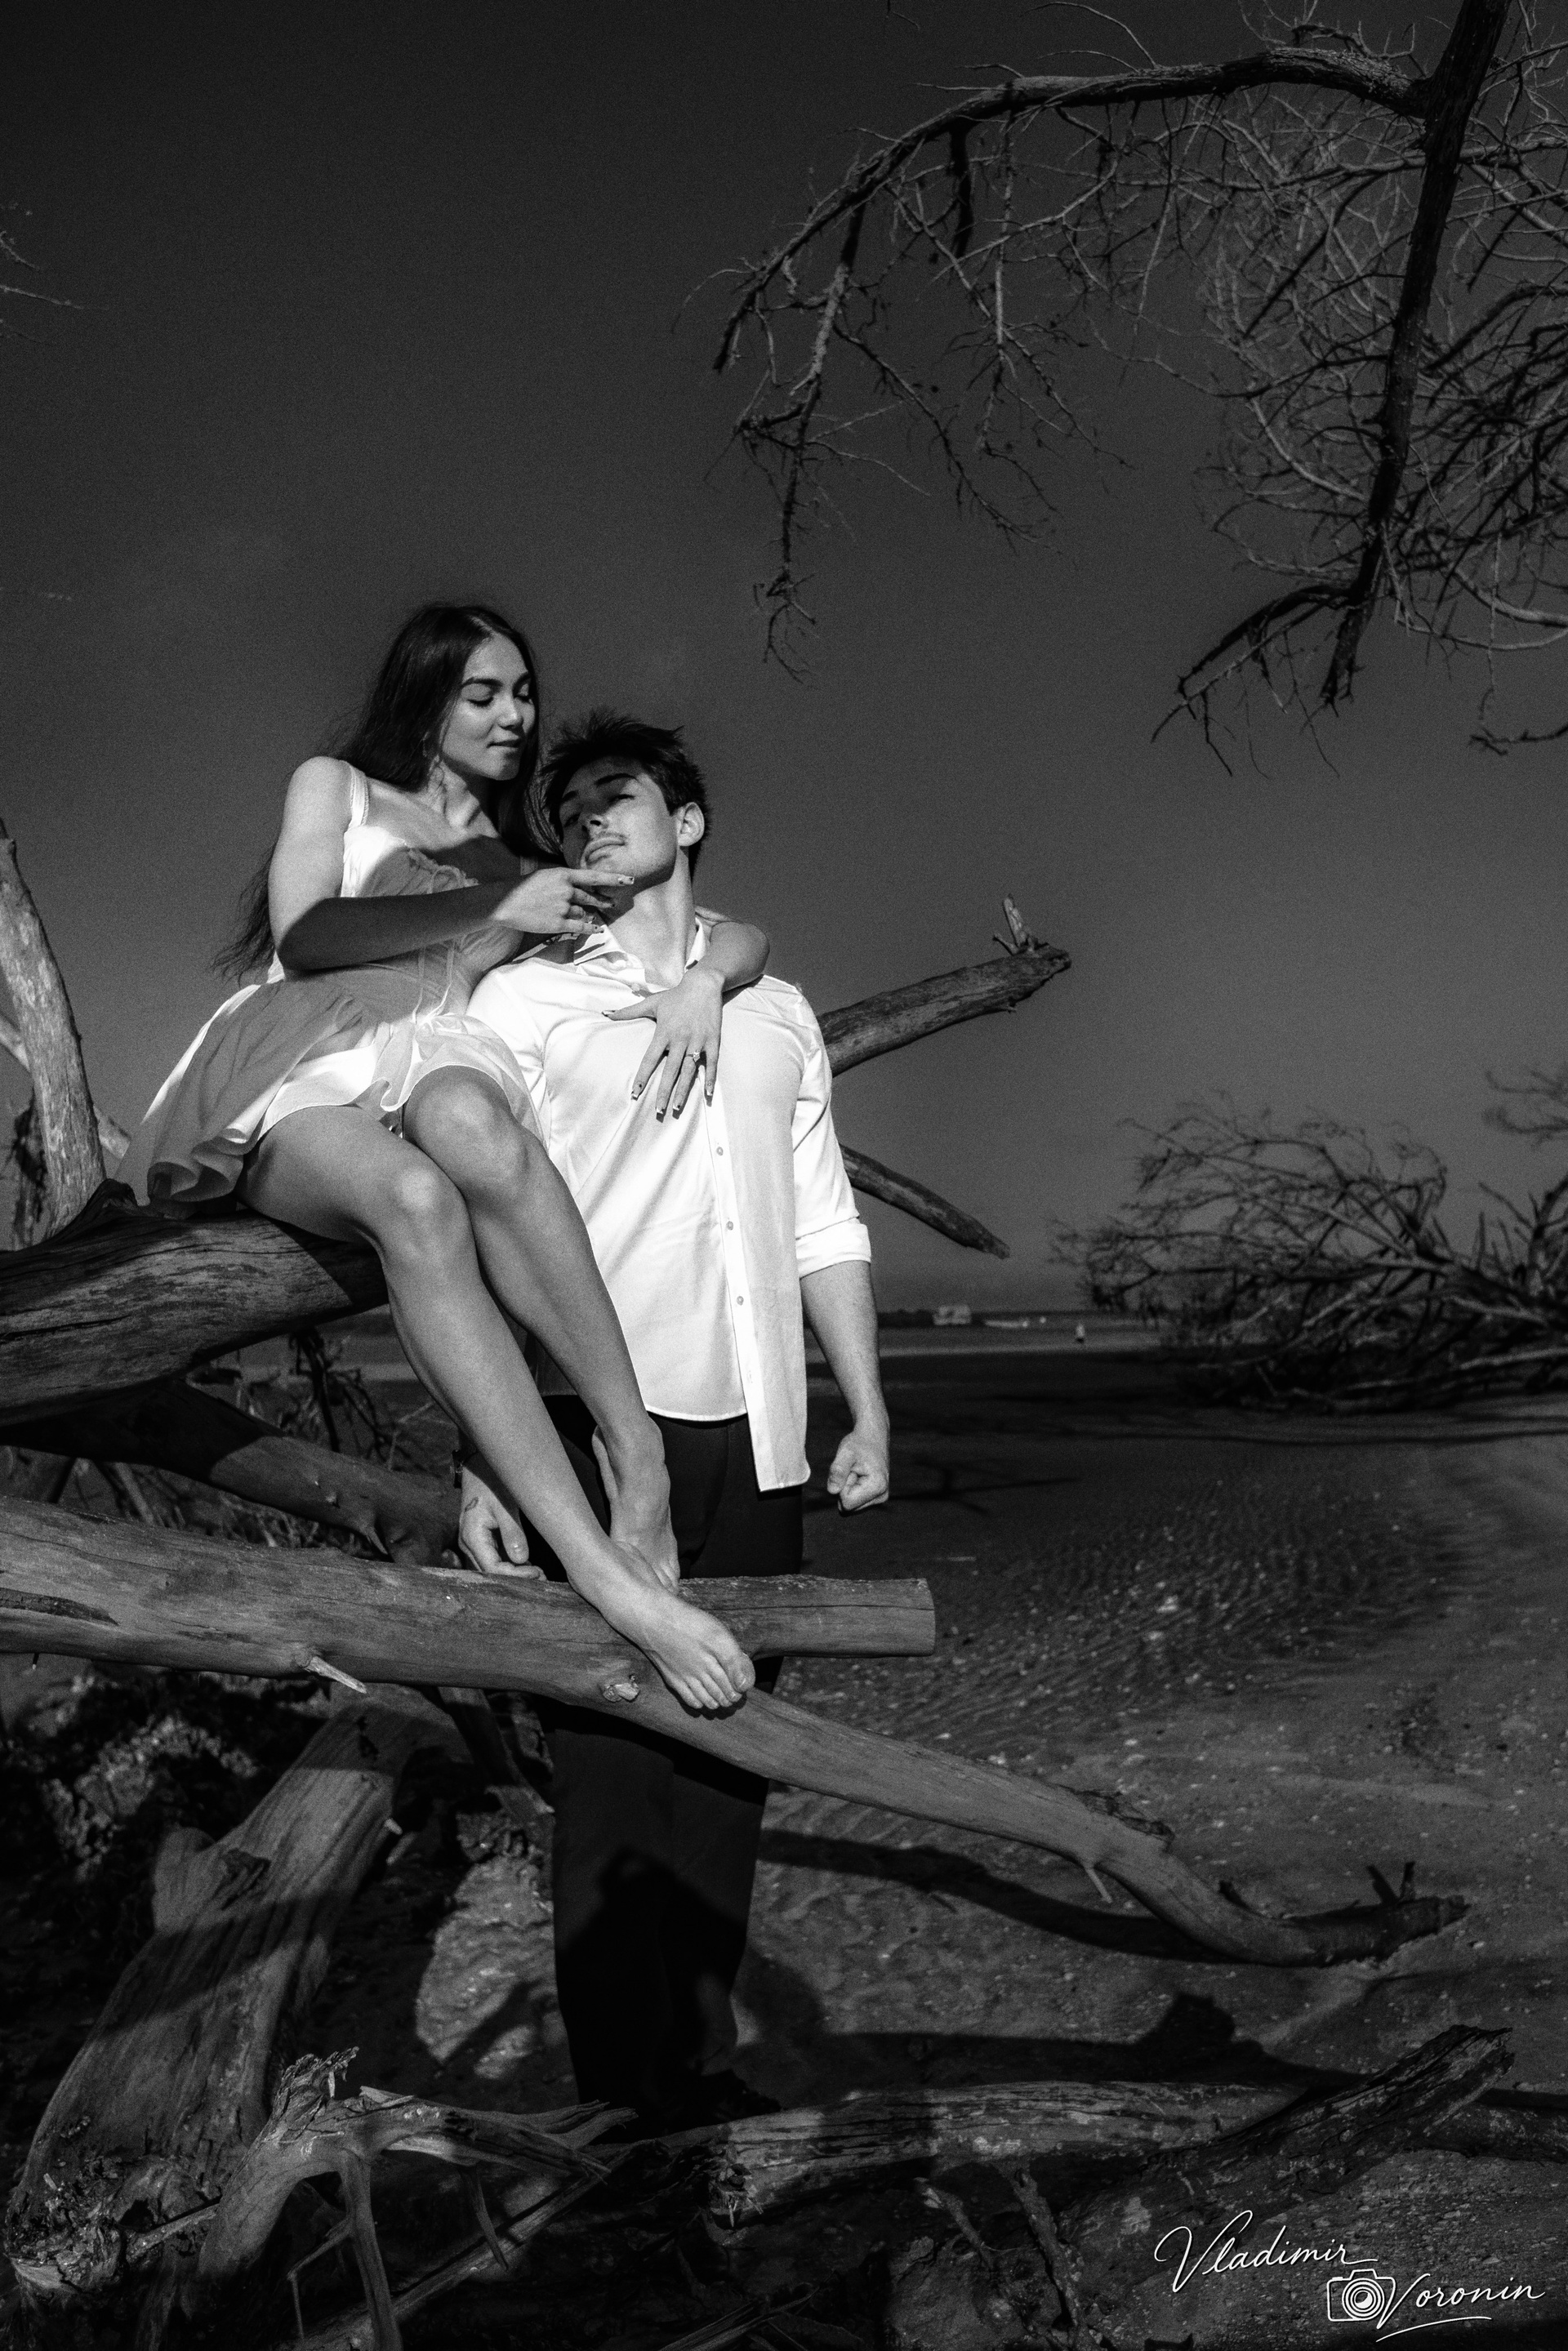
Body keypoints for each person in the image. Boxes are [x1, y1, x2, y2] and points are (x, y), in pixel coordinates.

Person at [118, 605, 766, 1712]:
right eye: (484, 694)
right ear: (425, 699)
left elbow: (722, 929)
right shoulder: (338, 787)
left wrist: (709, 981)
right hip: (309, 1057)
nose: (515, 714)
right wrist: (497, 902)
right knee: (417, 1199)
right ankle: (607, 1577)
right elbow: (305, 936)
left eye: (524, 692)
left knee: (472, 1129)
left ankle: (638, 1454)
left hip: (437, 1052)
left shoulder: (525, 859)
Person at [461, 710, 891, 2130]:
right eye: (569, 806)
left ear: (687, 820)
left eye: (620, 793)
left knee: (728, 1766)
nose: (592, 817)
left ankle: (698, 2073)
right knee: (608, 1773)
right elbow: (474, 1233)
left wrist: (867, 1407)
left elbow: (824, 1219)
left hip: (763, 1425)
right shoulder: (525, 1003)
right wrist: (488, 1446)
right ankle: (619, 2102)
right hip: (599, 1426)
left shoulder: (776, 1007)